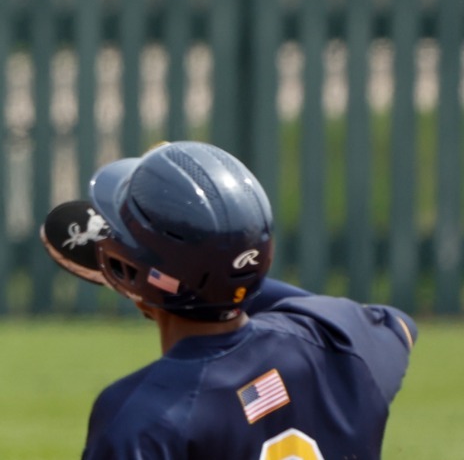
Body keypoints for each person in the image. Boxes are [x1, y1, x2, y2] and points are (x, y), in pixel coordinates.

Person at [54, 142, 417, 460]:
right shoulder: (337, 342)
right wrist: (228, 281)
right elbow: (399, 325)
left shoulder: (141, 417)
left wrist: (165, 285)